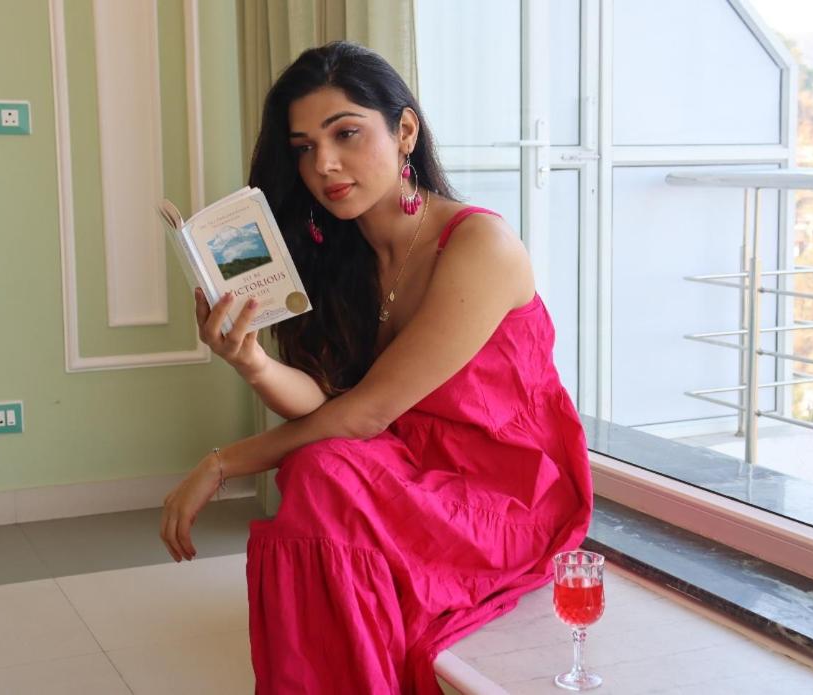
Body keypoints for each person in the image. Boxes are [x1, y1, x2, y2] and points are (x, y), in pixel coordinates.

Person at [160, 41, 593, 694]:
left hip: (506, 494)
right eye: (304, 147)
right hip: (410, 467)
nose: (324, 165)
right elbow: (325, 401)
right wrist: (251, 362)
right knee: (318, 470)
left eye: (346, 133)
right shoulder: (344, 254)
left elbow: (364, 414)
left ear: (406, 131)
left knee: (320, 473)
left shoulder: (480, 246)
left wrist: (223, 462)